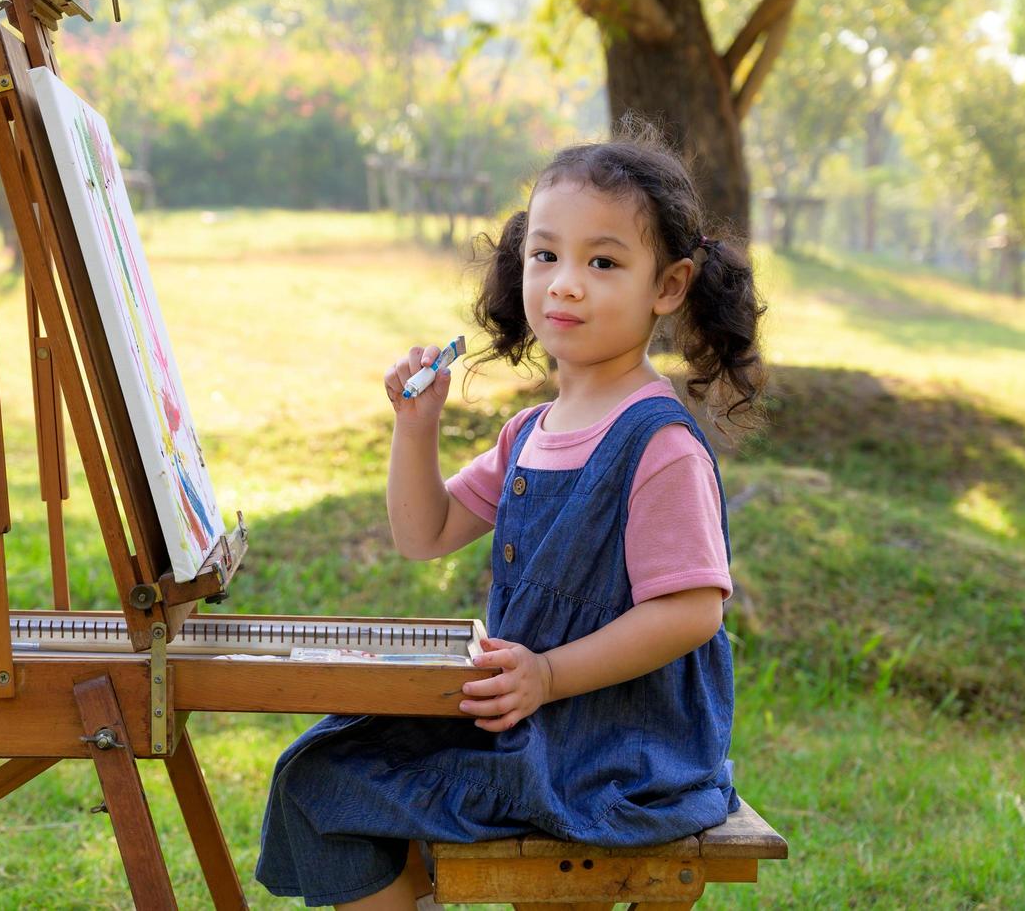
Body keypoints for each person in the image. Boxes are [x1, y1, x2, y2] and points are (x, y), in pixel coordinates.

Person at [255, 124, 767, 910]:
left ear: (667, 287)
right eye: (546, 255)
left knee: (334, 783)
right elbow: (422, 534)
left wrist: (550, 674)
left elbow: (692, 611)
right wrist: (415, 424)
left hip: (617, 750)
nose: (564, 283)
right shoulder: (529, 435)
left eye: (602, 262)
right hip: (530, 718)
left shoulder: (656, 443)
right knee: (322, 770)